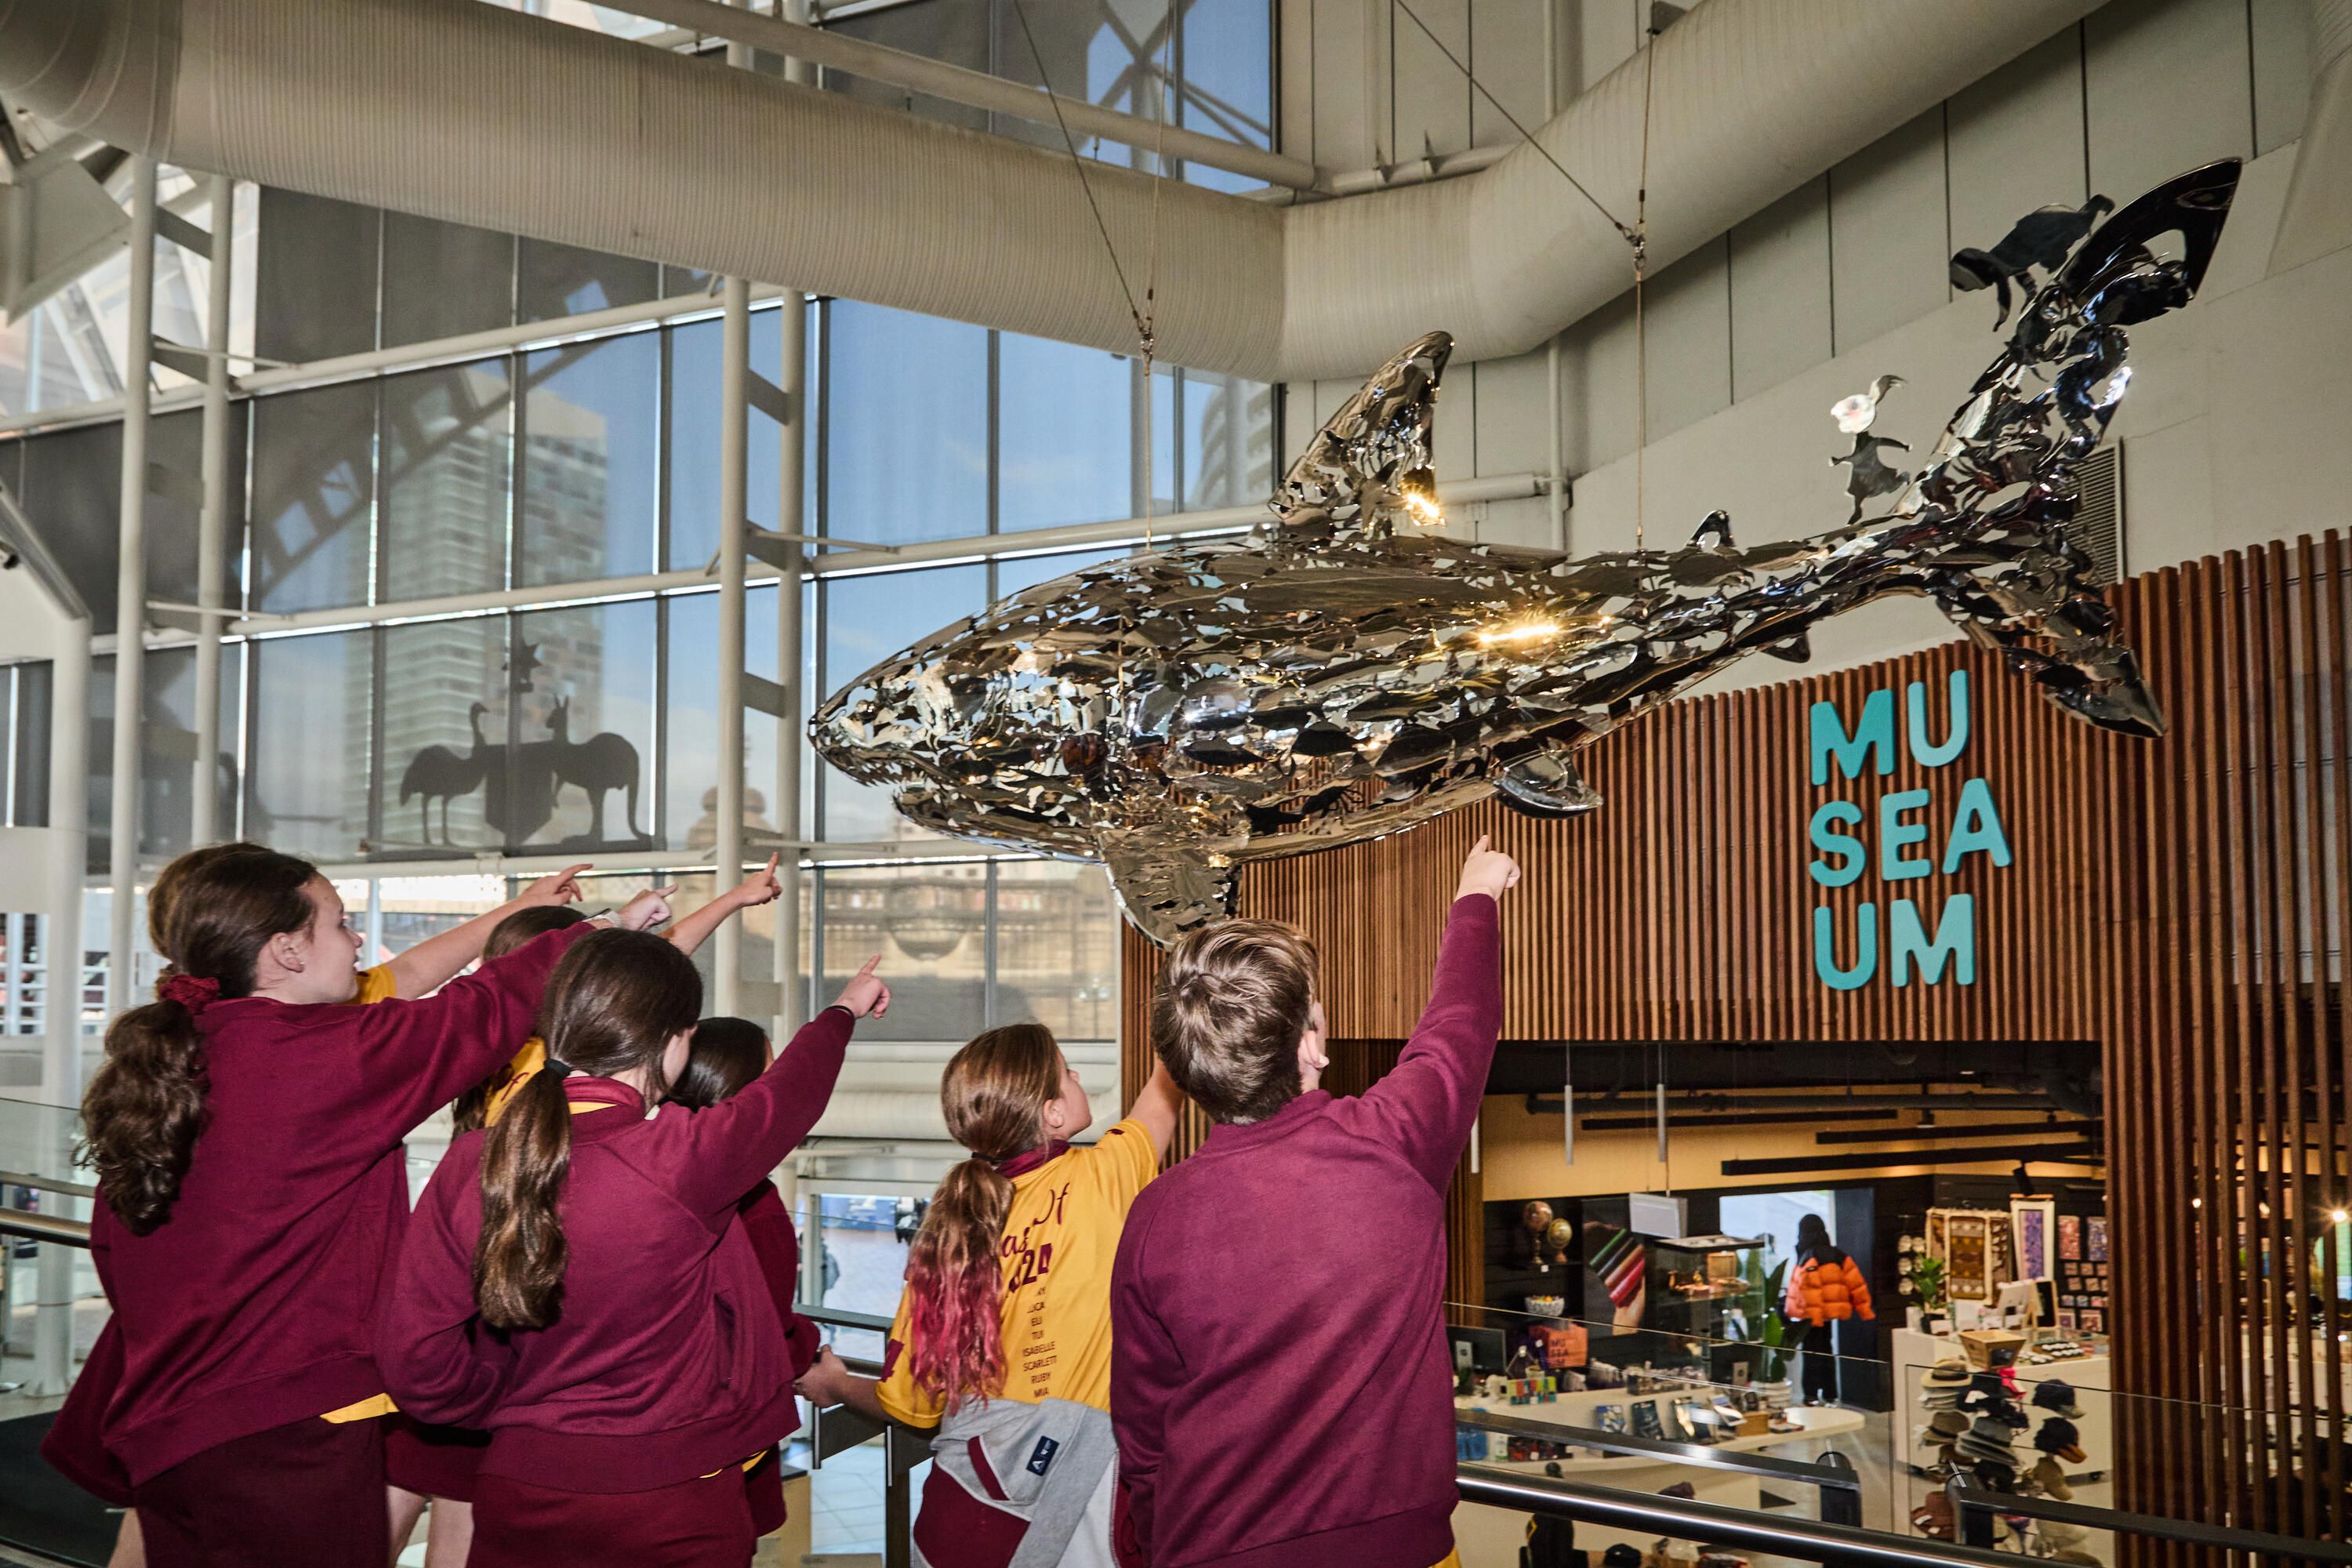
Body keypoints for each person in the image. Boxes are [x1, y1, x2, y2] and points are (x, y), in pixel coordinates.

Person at [76, 842, 666, 1568]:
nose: (357, 941)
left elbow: (115, 1246)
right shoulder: (323, 1058)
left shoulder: (171, 1062)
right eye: (339, 923)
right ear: (288, 949)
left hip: (168, 1430)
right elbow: (482, 1010)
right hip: (284, 1434)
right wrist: (597, 936)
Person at [376, 937, 890, 1567]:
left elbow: (415, 1356)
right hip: (671, 1500)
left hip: (519, 1487)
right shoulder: (681, 1160)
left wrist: (501, 1406)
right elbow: (787, 1093)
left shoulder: (472, 1163)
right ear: (675, 1042)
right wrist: (842, 1012)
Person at [1109, 835, 1518, 1568]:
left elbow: (1143, 1436)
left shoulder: (1153, 1217)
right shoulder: (1389, 1145)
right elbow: (1459, 1028)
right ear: (1311, 1049)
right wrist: (1475, 897)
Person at [794, 1023, 1184, 1566]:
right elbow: (1169, 1088)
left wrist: (836, 1384)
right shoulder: (1105, 1176)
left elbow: (909, 1403)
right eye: (1067, 1072)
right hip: (1075, 1519)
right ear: (1051, 1114)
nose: (1077, 1078)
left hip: (964, 1522)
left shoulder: (948, 1233)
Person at [665, 1014, 826, 1540]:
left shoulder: (650, 1167)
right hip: (721, 1444)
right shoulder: (755, 1205)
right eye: (772, 1077)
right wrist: (812, 1348)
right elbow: (766, 1328)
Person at [1783, 1212, 1874, 1405]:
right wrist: (1865, 1311)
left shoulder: (1807, 1256)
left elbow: (1810, 1290)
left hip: (1812, 1318)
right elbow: (1857, 1285)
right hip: (1829, 1316)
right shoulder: (1838, 1255)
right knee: (1827, 1353)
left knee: (1811, 1356)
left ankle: (1811, 1395)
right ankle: (1830, 1394)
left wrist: (1804, 1317)